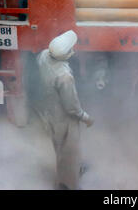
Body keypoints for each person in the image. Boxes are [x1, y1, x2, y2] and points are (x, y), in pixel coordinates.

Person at [37, 30, 94, 190]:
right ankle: (67, 184)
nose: (73, 50)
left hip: (50, 109)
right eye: (71, 49)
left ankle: (75, 169)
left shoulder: (43, 56)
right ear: (66, 54)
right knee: (69, 149)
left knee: (60, 145)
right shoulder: (64, 76)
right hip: (64, 116)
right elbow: (71, 106)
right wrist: (85, 117)